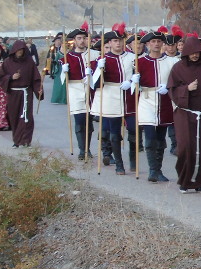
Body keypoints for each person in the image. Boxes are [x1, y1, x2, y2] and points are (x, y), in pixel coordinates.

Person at [169, 35, 201, 192]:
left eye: (198, 51)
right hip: (185, 113)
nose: (195, 55)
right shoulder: (178, 68)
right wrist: (186, 89)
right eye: (192, 52)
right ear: (186, 52)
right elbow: (172, 90)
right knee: (185, 147)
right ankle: (185, 180)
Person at [90, 24, 136, 175]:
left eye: (120, 40)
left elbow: (138, 76)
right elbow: (95, 84)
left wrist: (131, 81)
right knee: (115, 132)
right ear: (109, 43)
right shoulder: (103, 59)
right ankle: (119, 164)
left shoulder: (131, 57)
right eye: (115, 41)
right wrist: (99, 68)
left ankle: (133, 161)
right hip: (110, 95)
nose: (118, 43)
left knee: (133, 129)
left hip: (128, 95)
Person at [137, 30, 175, 182]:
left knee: (160, 137)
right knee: (150, 136)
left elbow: (177, 80)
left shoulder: (172, 62)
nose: (156, 44)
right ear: (147, 44)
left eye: (159, 42)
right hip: (147, 99)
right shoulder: (139, 61)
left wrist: (169, 86)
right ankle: (152, 169)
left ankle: (158, 170)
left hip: (164, 101)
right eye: (153, 42)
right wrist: (134, 80)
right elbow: (130, 82)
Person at [61, 23, 99, 160]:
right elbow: (62, 80)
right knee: (79, 119)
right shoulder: (68, 57)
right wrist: (64, 71)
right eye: (79, 38)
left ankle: (87, 148)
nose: (82, 41)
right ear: (74, 40)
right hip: (75, 89)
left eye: (84, 38)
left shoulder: (95, 54)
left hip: (90, 89)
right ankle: (82, 150)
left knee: (88, 121)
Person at [0, 40, 43, 147]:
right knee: (14, 117)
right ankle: (17, 141)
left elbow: (35, 78)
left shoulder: (29, 62)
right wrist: (11, 77)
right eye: (18, 50)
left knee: (27, 117)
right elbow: (0, 77)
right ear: (14, 50)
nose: (20, 52)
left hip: (26, 92)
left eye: (22, 50)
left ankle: (26, 141)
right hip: (13, 94)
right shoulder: (8, 62)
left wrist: (38, 90)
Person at [163, 27, 183, 155]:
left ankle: (178, 144)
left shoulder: (181, 59)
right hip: (164, 92)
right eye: (168, 45)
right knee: (169, 120)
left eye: (173, 45)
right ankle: (171, 143)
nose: (171, 48)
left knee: (178, 119)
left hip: (178, 92)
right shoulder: (162, 59)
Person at [47, 34, 67, 104]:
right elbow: (50, 59)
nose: (58, 42)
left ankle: (65, 98)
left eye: (59, 40)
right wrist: (49, 68)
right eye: (57, 40)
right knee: (59, 84)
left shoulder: (68, 49)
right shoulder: (52, 49)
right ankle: (58, 98)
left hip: (66, 68)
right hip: (59, 69)